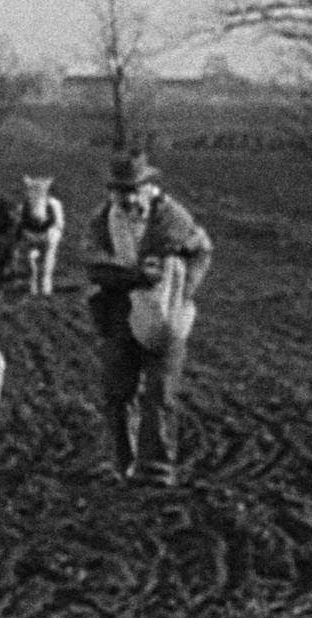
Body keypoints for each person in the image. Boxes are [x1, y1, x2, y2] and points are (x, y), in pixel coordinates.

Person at [82, 151, 212, 485]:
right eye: (117, 189)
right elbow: (93, 264)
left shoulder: (173, 218)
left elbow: (201, 250)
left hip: (166, 315)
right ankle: (122, 462)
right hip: (119, 312)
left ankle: (156, 467)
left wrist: (182, 291)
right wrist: (133, 277)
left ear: (147, 185)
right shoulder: (102, 221)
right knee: (118, 390)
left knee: (161, 390)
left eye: (130, 188)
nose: (124, 196)